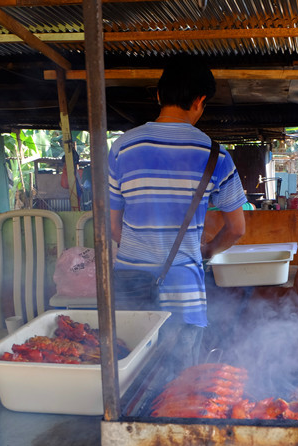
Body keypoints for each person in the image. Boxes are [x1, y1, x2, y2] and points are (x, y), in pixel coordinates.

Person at [109, 55, 247, 373]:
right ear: (199, 101)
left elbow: (113, 227)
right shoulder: (215, 155)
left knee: (127, 385)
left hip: (131, 292)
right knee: (176, 392)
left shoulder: (122, 148)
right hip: (184, 294)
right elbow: (237, 228)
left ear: (159, 95)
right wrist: (206, 251)